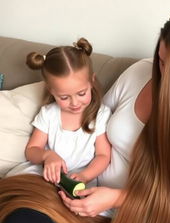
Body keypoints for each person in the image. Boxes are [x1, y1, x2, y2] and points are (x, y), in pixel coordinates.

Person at [0, 3, 170, 223]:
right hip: (85, 193)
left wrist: (116, 198)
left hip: (136, 217)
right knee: (15, 216)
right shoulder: (139, 73)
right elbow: (92, 125)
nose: (161, 72)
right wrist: (65, 165)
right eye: (161, 60)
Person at [6, 37, 111, 186]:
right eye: (64, 97)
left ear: (92, 82)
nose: (74, 103)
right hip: (44, 174)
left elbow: (103, 155)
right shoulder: (49, 114)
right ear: (51, 91)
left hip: (80, 179)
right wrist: (47, 156)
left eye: (81, 94)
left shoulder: (100, 115)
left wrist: (85, 176)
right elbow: (32, 150)